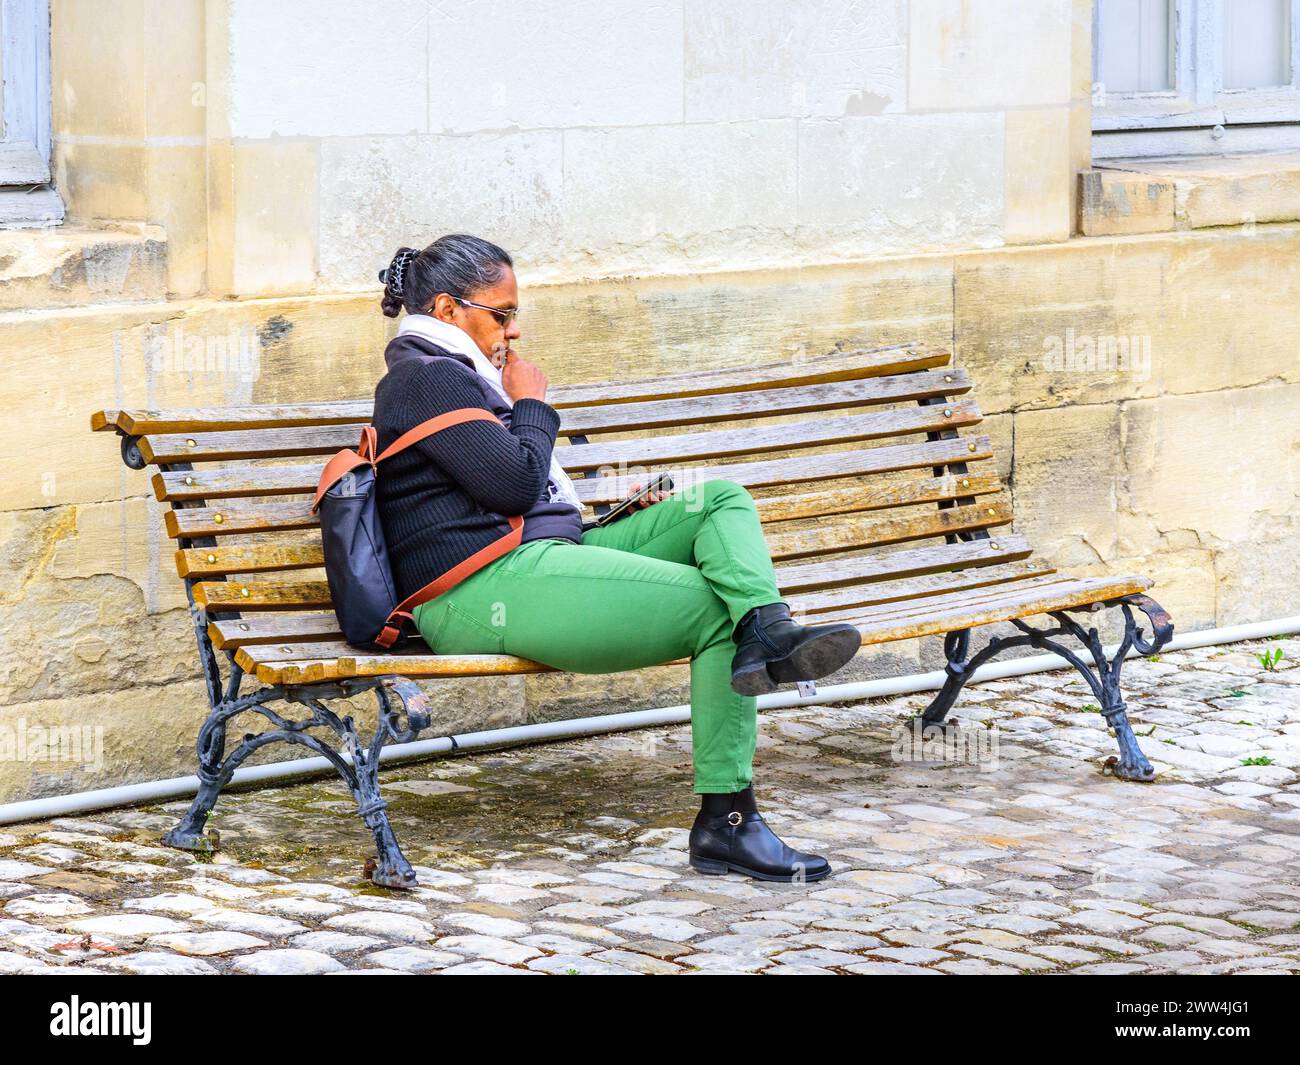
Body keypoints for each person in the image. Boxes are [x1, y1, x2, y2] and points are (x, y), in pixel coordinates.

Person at [372, 233, 862, 883]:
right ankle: (728, 824)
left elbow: (521, 490)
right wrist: (532, 403)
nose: (512, 333)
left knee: (717, 499)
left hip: (547, 552)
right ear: (447, 309)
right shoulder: (423, 378)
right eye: (502, 314)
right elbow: (513, 484)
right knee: (714, 607)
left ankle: (768, 630)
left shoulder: (462, 374)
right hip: (478, 585)